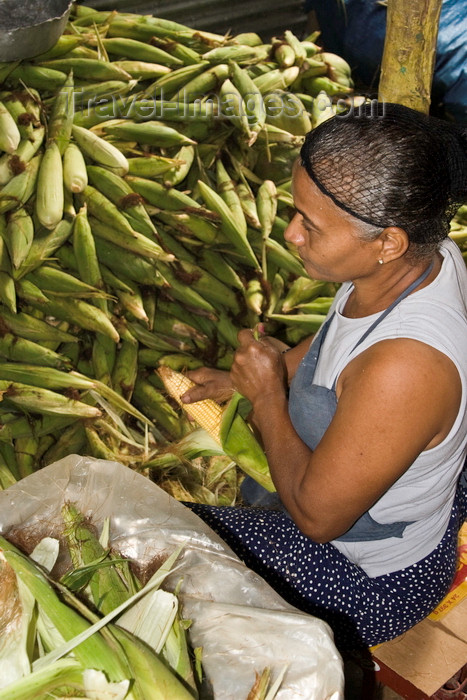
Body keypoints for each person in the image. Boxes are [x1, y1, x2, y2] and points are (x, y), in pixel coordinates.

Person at [180, 102, 467, 649]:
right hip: (365, 519)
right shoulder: (421, 258)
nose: (290, 234)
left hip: (368, 578)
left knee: (151, 540)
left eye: (309, 225)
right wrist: (246, 379)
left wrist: (267, 397)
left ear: (388, 243)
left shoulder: (405, 367)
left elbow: (317, 519)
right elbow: (339, 340)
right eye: (296, 211)